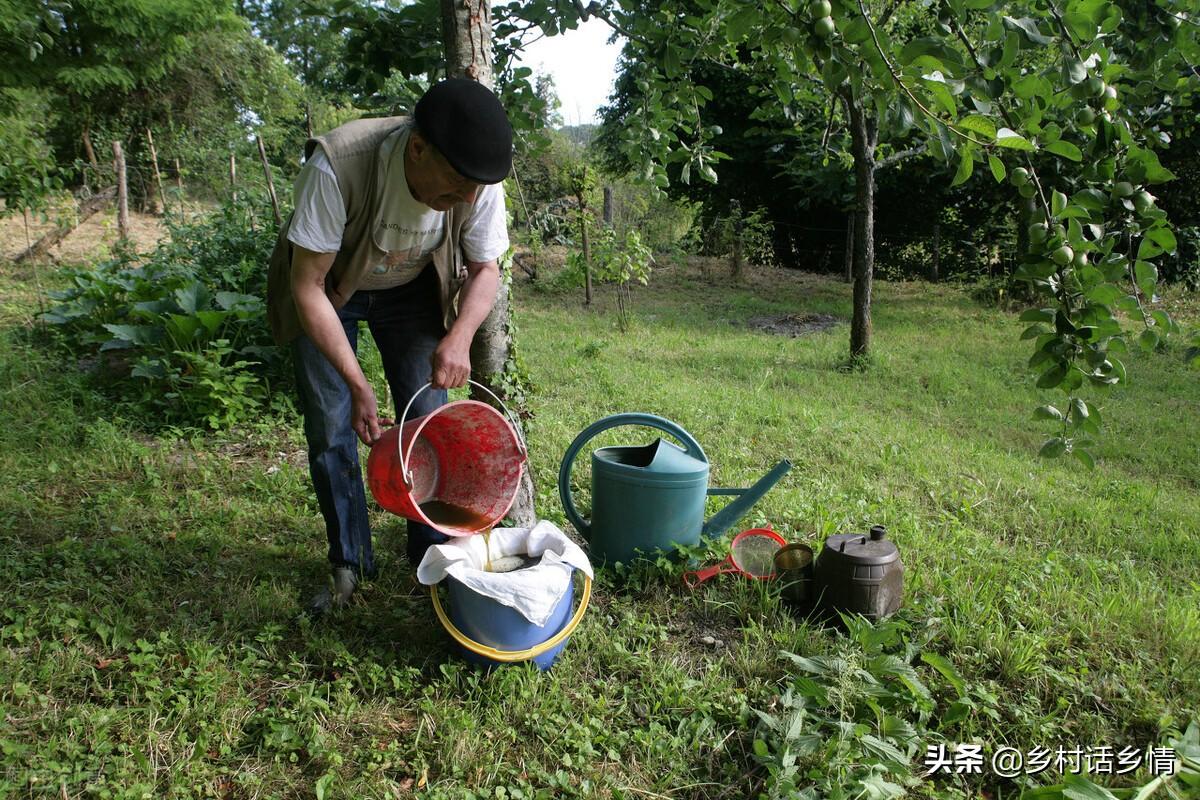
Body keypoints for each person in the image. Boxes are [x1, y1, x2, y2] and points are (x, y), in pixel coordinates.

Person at [266, 79, 513, 615]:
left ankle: (431, 561)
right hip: (333, 290)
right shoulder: (339, 164)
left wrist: (460, 336)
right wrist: (357, 385)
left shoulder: (477, 176)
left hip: (412, 290)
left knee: (428, 417)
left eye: (475, 189)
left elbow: (485, 268)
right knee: (332, 423)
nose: (466, 200)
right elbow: (306, 286)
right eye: (454, 187)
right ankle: (349, 563)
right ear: (417, 148)